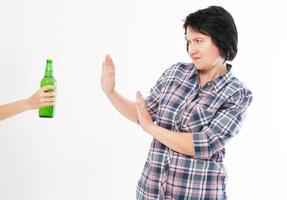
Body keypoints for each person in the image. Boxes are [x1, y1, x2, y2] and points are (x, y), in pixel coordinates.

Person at [101, 6, 253, 199]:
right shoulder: (175, 73)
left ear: (222, 41)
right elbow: (143, 114)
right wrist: (111, 92)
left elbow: (204, 144)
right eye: (189, 42)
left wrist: (151, 129)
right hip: (151, 192)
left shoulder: (237, 93)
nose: (192, 49)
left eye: (199, 41)